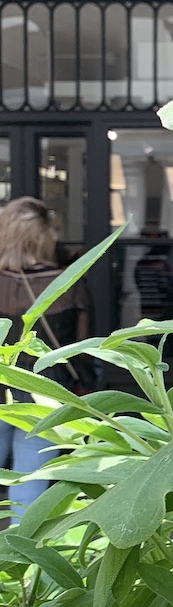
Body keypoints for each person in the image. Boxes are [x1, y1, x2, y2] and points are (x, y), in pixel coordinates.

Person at [0, 197, 91, 518]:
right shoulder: (66, 283)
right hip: (44, 388)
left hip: (1, 381)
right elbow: (81, 345)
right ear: (44, 236)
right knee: (29, 483)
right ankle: (23, 562)